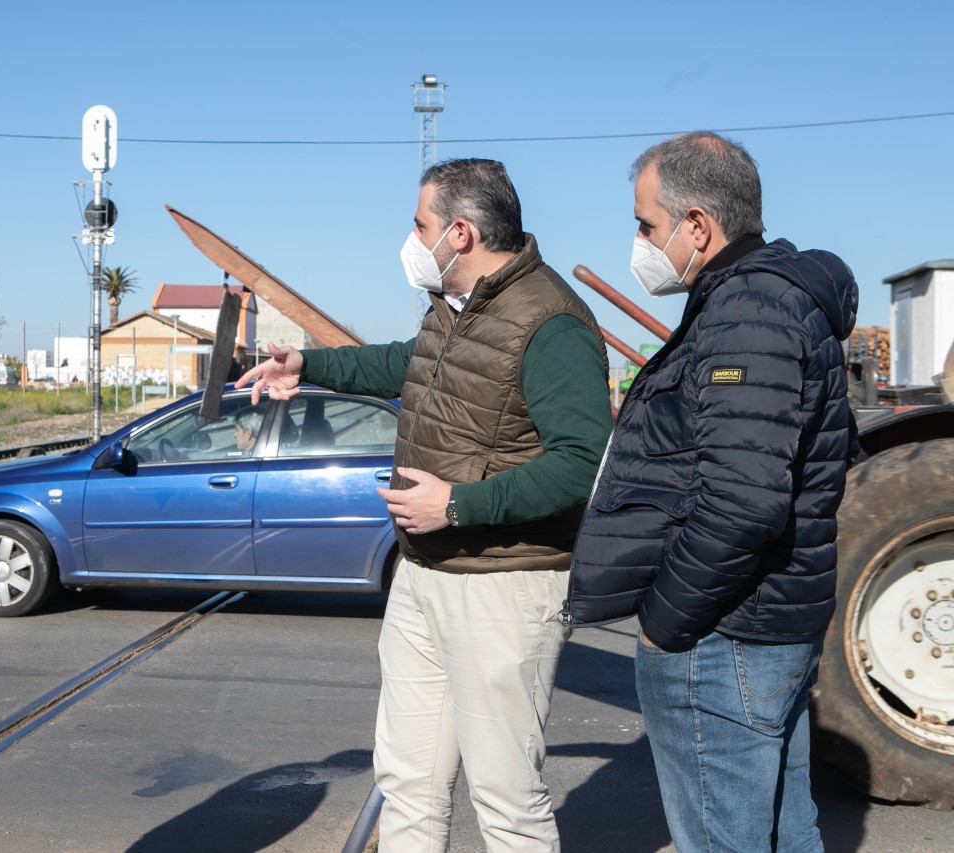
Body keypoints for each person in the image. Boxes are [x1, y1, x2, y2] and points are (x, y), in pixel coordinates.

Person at [236, 158, 612, 852]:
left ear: (461, 232)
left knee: (506, 798)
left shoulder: (551, 321)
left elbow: (582, 465)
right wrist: (309, 366)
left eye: (420, 224)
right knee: (407, 781)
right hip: (423, 575)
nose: (412, 239)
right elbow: (402, 364)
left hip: (503, 586)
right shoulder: (453, 308)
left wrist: (460, 505)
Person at [565, 132, 858, 853]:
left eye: (646, 225)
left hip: (726, 632)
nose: (638, 242)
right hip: (765, 624)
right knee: (786, 834)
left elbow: (745, 499)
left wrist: (664, 621)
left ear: (697, 225)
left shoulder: (747, 312)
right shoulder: (764, 300)